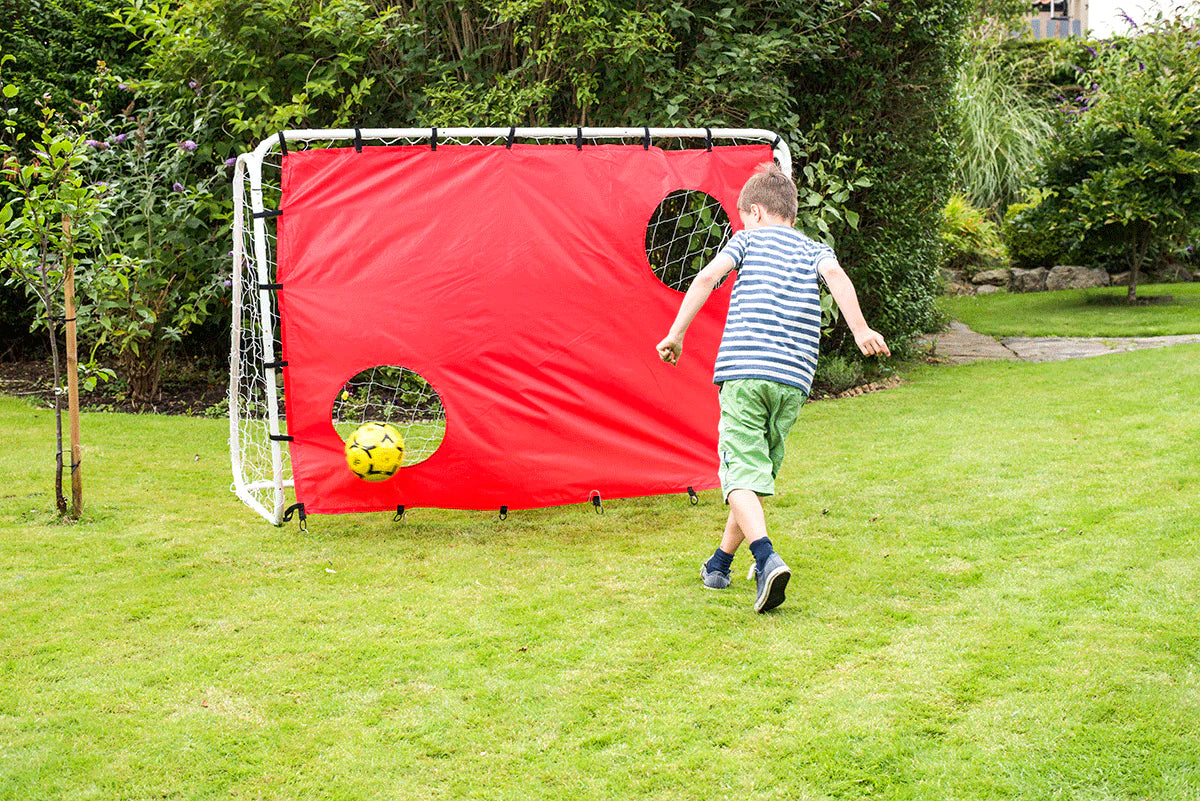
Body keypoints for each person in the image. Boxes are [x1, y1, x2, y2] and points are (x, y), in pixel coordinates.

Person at [656, 162, 890, 613]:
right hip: (793, 381)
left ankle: (766, 559)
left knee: (739, 472)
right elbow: (838, 278)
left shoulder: (746, 239)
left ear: (757, 212)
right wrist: (859, 329)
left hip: (746, 372)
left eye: (744, 216)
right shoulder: (814, 248)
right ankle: (719, 563)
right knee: (753, 474)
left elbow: (706, 278)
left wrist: (676, 334)